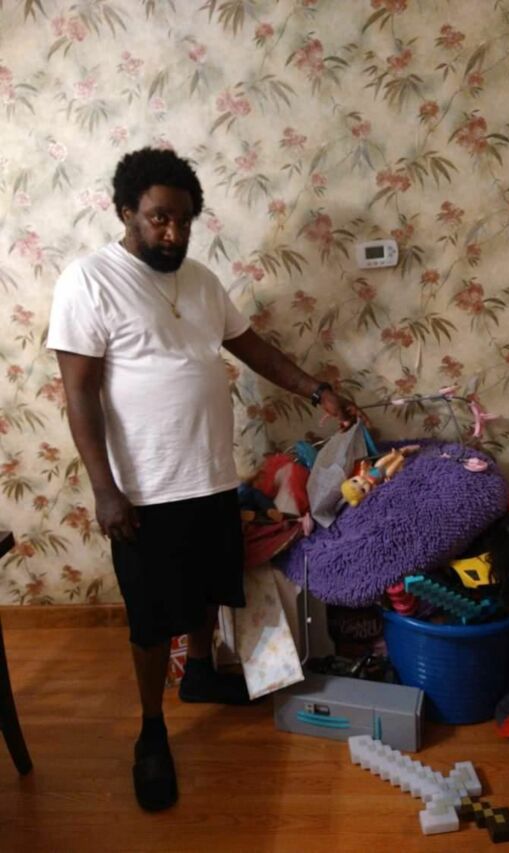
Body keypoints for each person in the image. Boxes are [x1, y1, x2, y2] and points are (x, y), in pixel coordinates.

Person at [47, 147, 359, 812]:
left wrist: (316, 389)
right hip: (143, 487)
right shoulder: (90, 280)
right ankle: (151, 731)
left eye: (185, 220)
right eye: (160, 218)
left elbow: (253, 348)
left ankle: (200, 677)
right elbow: (79, 393)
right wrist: (104, 490)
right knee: (150, 616)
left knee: (209, 586)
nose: (174, 232)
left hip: (208, 471)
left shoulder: (202, 280)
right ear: (126, 212)